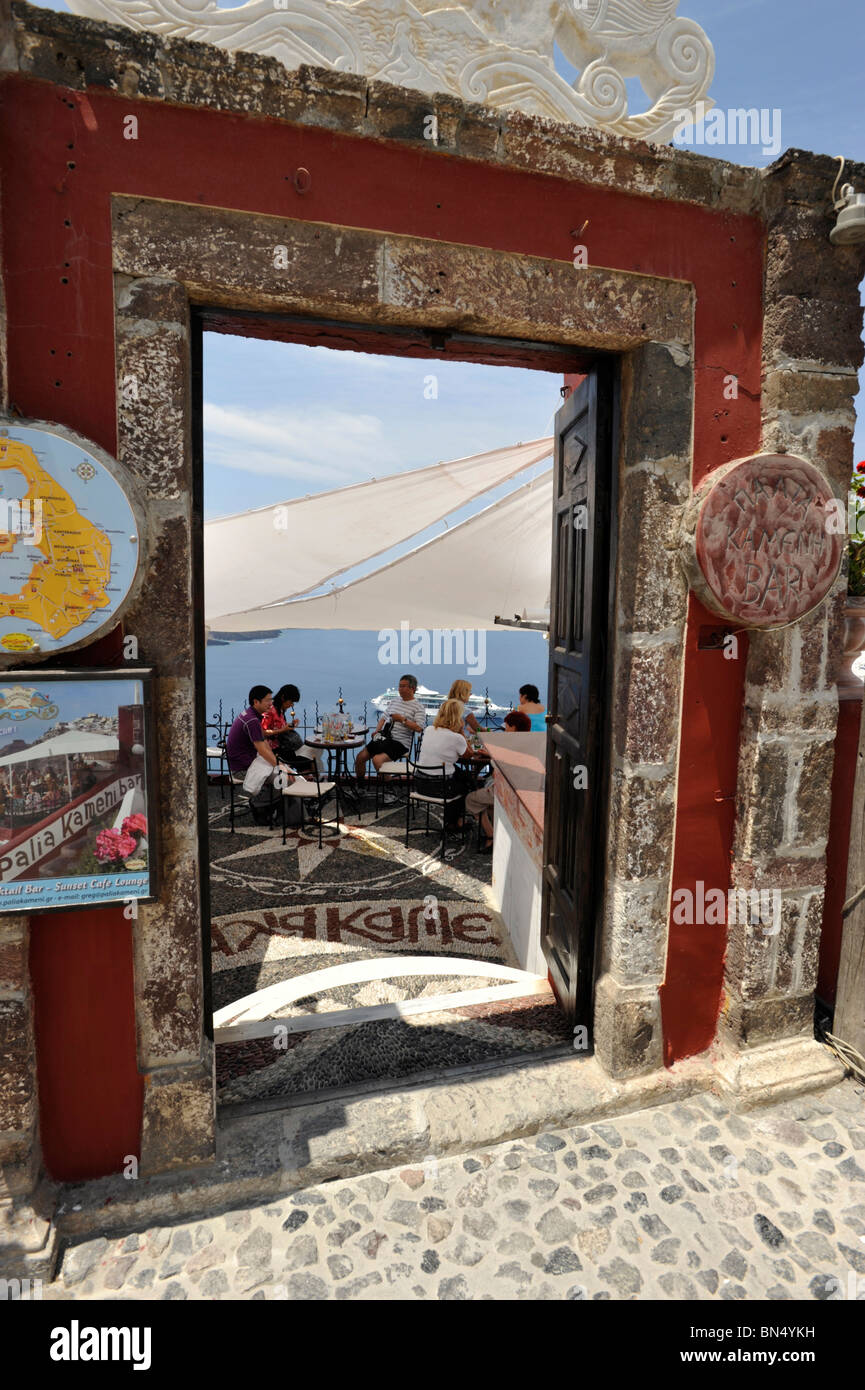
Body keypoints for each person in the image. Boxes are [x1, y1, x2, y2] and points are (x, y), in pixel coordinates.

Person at [225, 684, 300, 827]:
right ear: (256, 702)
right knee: (284, 779)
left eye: (271, 700)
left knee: (287, 774)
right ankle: (259, 804)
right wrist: (280, 766)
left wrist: (280, 764)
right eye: (267, 700)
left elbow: (264, 743)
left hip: (248, 762)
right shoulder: (252, 721)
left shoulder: (251, 714)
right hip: (242, 768)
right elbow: (262, 749)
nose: (271, 703)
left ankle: (271, 809)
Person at [465, 709, 531, 852]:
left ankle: (491, 836)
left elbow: (499, 769)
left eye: (506, 726)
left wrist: (493, 755)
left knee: (471, 799)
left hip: (505, 790)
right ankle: (499, 835)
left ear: (513, 727)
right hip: (520, 789)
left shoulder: (509, 745)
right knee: (489, 804)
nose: (505, 729)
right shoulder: (527, 743)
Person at [354, 674, 425, 787]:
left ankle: (389, 789)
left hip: (400, 743)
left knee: (377, 760)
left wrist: (402, 719)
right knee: (360, 757)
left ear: (412, 688)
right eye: (399, 686)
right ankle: (360, 786)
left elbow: (419, 728)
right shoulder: (395, 701)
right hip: (384, 738)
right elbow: (383, 718)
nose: (400, 689)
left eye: (403, 686)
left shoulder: (418, 707)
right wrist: (377, 731)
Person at [413, 698, 476, 825]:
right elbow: (469, 755)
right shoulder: (456, 737)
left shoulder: (428, 730)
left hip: (420, 784)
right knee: (469, 784)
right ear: (458, 717)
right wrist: (462, 731)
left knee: (460, 776)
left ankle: (452, 819)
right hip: (441, 788)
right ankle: (457, 822)